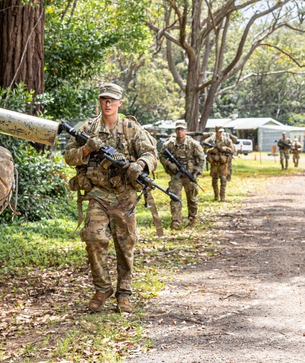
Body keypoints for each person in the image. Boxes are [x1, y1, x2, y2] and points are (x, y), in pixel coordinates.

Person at [64, 84, 156, 313]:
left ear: (120, 103)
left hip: (124, 196)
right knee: (94, 239)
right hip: (98, 195)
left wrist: (140, 164)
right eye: (104, 99)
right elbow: (69, 157)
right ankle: (102, 288)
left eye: (112, 100)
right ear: (99, 101)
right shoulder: (87, 128)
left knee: (125, 245)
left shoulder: (131, 128)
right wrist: (86, 149)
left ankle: (124, 292)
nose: (107, 104)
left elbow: (150, 153)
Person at [161, 120, 206, 229]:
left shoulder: (193, 144)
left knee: (192, 198)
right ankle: (176, 220)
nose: (180, 132)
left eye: (182, 129)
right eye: (178, 129)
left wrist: (196, 172)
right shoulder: (169, 144)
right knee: (175, 197)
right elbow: (161, 156)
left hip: (189, 175)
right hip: (176, 175)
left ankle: (192, 218)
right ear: (175, 131)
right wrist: (168, 164)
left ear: (185, 131)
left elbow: (201, 160)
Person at [203, 125, 236, 201]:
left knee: (223, 179)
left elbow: (233, 150)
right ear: (215, 131)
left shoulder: (227, 140)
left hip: (223, 163)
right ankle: (216, 196)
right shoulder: (210, 140)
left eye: (222, 132)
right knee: (214, 180)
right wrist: (211, 150)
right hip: (214, 163)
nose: (220, 133)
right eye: (219, 131)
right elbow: (205, 149)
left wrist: (225, 149)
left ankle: (222, 197)